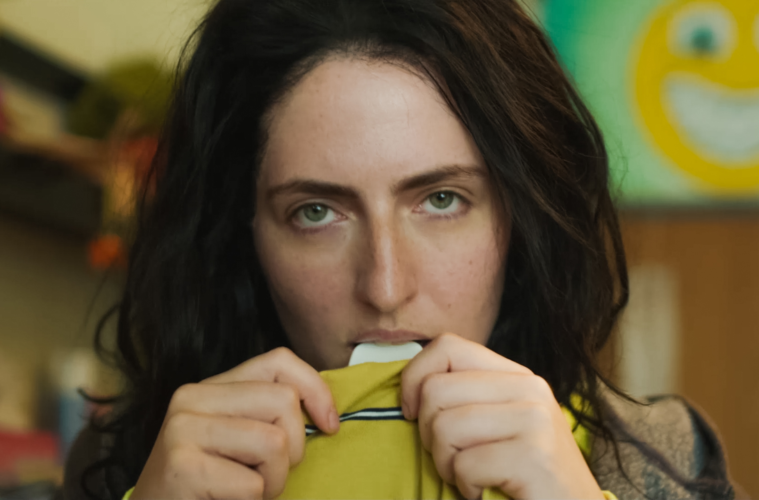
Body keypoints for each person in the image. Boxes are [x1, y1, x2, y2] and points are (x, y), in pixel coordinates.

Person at [62, 0, 740, 499]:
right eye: (316, 213)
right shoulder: (135, 464)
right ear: (243, 234)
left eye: (441, 200)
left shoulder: (663, 461)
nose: (385, 288)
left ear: (520, 216)